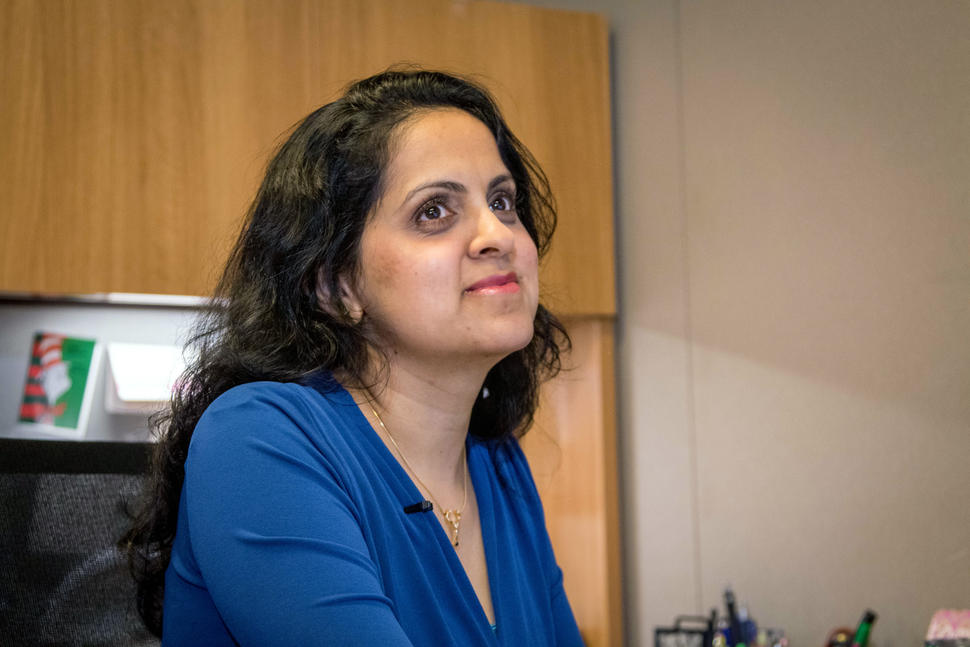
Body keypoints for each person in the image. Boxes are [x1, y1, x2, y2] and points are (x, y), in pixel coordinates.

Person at [122, 68, 583, 646]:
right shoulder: (259, 440)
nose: (498, 234)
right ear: (338, 287)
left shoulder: (499, 466)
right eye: (434, 211)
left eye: (502, 200)